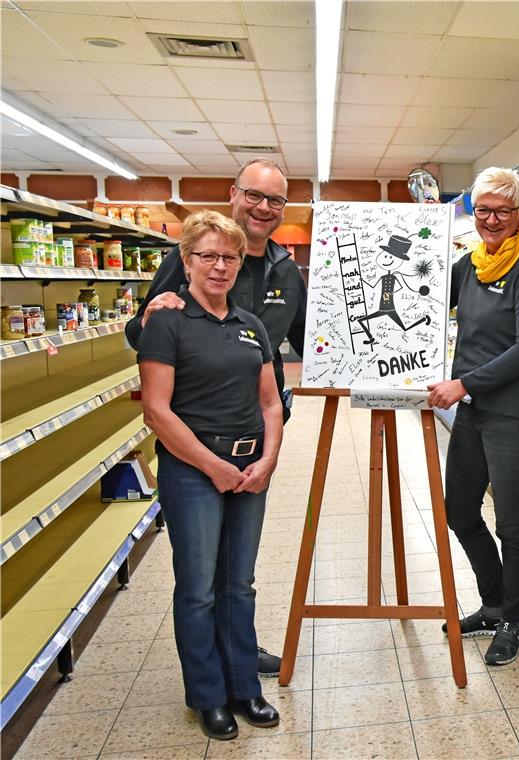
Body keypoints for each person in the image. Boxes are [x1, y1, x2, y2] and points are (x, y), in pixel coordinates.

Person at [126, 157, 304, 678]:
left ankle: (239, 659)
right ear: (234, 193)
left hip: (255, 436)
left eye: (275, 200)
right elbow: (141, 335)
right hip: (195, 440)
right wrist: (151, 313)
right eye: (255, 195)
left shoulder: (285, 269)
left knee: (238, 570)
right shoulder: (194, 254)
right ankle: (209, 681)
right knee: (200, 574)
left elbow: (307, 339)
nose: (264, 208)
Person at [137, 211, 283, 740]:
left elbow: (270, 402)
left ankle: (245, 686)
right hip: (195, 471)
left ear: (240, 262)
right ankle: (208, 695)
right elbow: (157, 411)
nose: (219, 266)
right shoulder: (168, 321)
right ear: (187, 260)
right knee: (198, 588)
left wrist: (266, 461)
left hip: (250, 469)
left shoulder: (252, 324)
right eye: (208, 256)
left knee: (238, 585)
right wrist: (213, 465)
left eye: (229, 256)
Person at [427, 167, 519, 666]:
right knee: (458, 511)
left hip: (515, 414)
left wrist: (463, 384)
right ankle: (494, 600)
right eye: (483, 210)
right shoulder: (469, 266)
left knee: (511, 522)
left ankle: (513, 620)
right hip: (476, 412)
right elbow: (426, 300)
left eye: (503, 211)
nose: (492, 219)